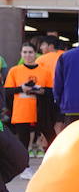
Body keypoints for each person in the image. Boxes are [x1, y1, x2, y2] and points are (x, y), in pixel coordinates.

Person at [3, 41, 54, 172]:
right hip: (22, 112)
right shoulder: (15, 71)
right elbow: (7, 91)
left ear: (35, 54)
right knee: (22, 143)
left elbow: (51, 92)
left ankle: (53, 164)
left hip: (41, 111)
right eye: (25, 52)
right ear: (21, 54)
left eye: (30, 52)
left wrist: (41, 91)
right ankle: (25, 168)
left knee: (51, 138)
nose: (27, 55)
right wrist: (21, 88)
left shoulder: (45, 71)